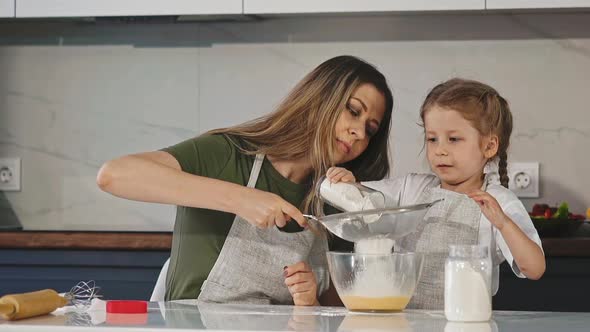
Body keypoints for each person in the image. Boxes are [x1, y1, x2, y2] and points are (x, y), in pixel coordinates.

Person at [96, 55, 394, 305]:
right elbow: (114, 175)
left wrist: (311, 298)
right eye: (353, 111)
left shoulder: (336, 201)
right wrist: (242, 198)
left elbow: (339, 306)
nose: (359, 133)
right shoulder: (228, 154)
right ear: (320, 99)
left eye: (370, 129)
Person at [327, 78, 545, 309]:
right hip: (405, 321)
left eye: (453, 139)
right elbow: (364, 200)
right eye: (432, 139)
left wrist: (503, 224)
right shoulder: (412, 188)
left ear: (489, 146)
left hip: (464, 323)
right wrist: (350, 184)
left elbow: (534, 268)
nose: (440, 150)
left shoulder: (499, 202)